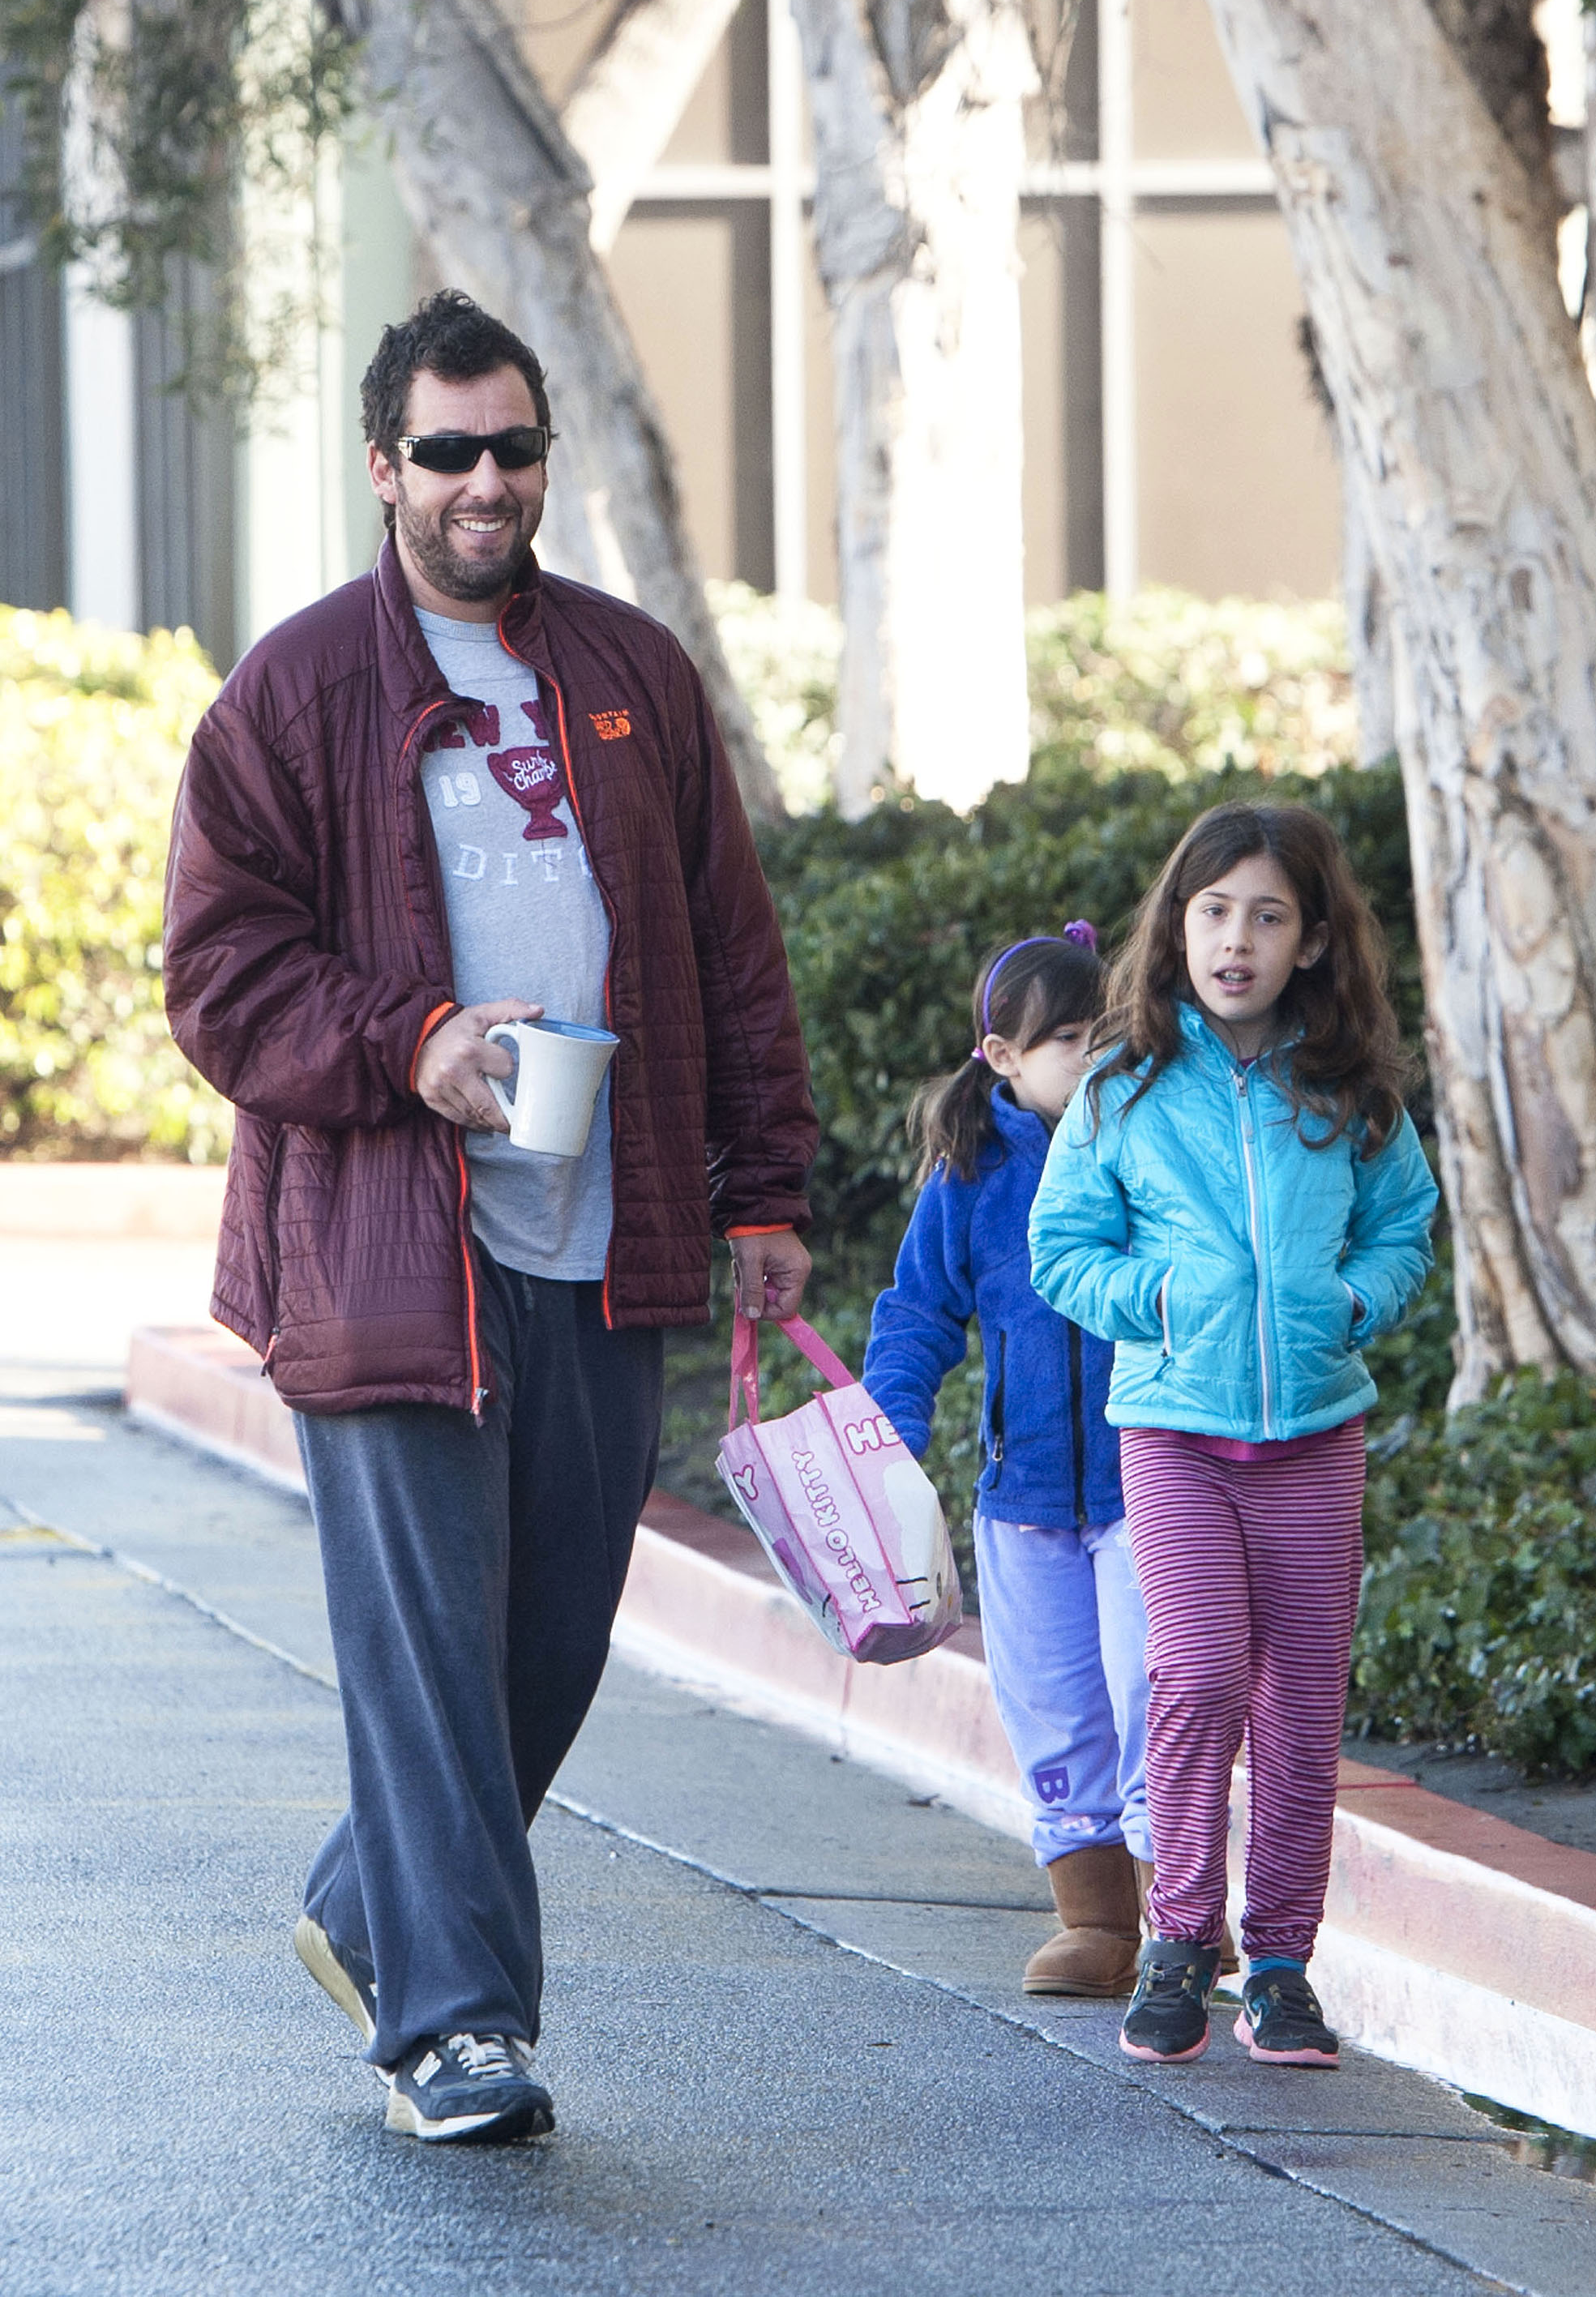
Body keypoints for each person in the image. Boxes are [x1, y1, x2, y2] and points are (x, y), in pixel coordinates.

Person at [162, 289, 817, 2144]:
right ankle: (455, 2032)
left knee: (549, 1647)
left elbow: (729, 951)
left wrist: (764, 1186)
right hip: (385, 1250)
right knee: (430, 1654)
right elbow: (219, 974)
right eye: (447, 450)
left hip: (607, 1239)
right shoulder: (295, 691)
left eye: (512, 448)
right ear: (384, 466)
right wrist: (416, 1043)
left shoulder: (631, 672)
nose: (484, 481)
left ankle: (372, 1911)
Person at [1029, 802, 1436, 2069]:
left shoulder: (1349, 1084)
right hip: (1176, 1429)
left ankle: (1278, 1967)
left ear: (1311, 941)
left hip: (1314, 1431)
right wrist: (1157, 1302)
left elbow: (1402, 1227)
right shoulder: (1124, 1082)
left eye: (1267, 916)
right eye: (1213, 912)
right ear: (1178, 925)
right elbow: (1062, 1248)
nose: (1235, 940)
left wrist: (1348, 1303)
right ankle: (1177, 1938)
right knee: (1199, 1676)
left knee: (1302, 1710)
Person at [862, 930, 1156, 1999]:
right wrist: (889, 1430)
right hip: (1021, 1499)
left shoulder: (1146, 1145)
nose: (1094, 1057)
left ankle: (1179, 1919)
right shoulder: (971, 1174)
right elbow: (917, 1312)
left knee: (1154, 1695)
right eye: (1068, 1040)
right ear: (1000, 1055)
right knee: (1054, 1710)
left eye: (1107, 1036)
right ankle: (1095, 1922)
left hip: (1147, 1486)